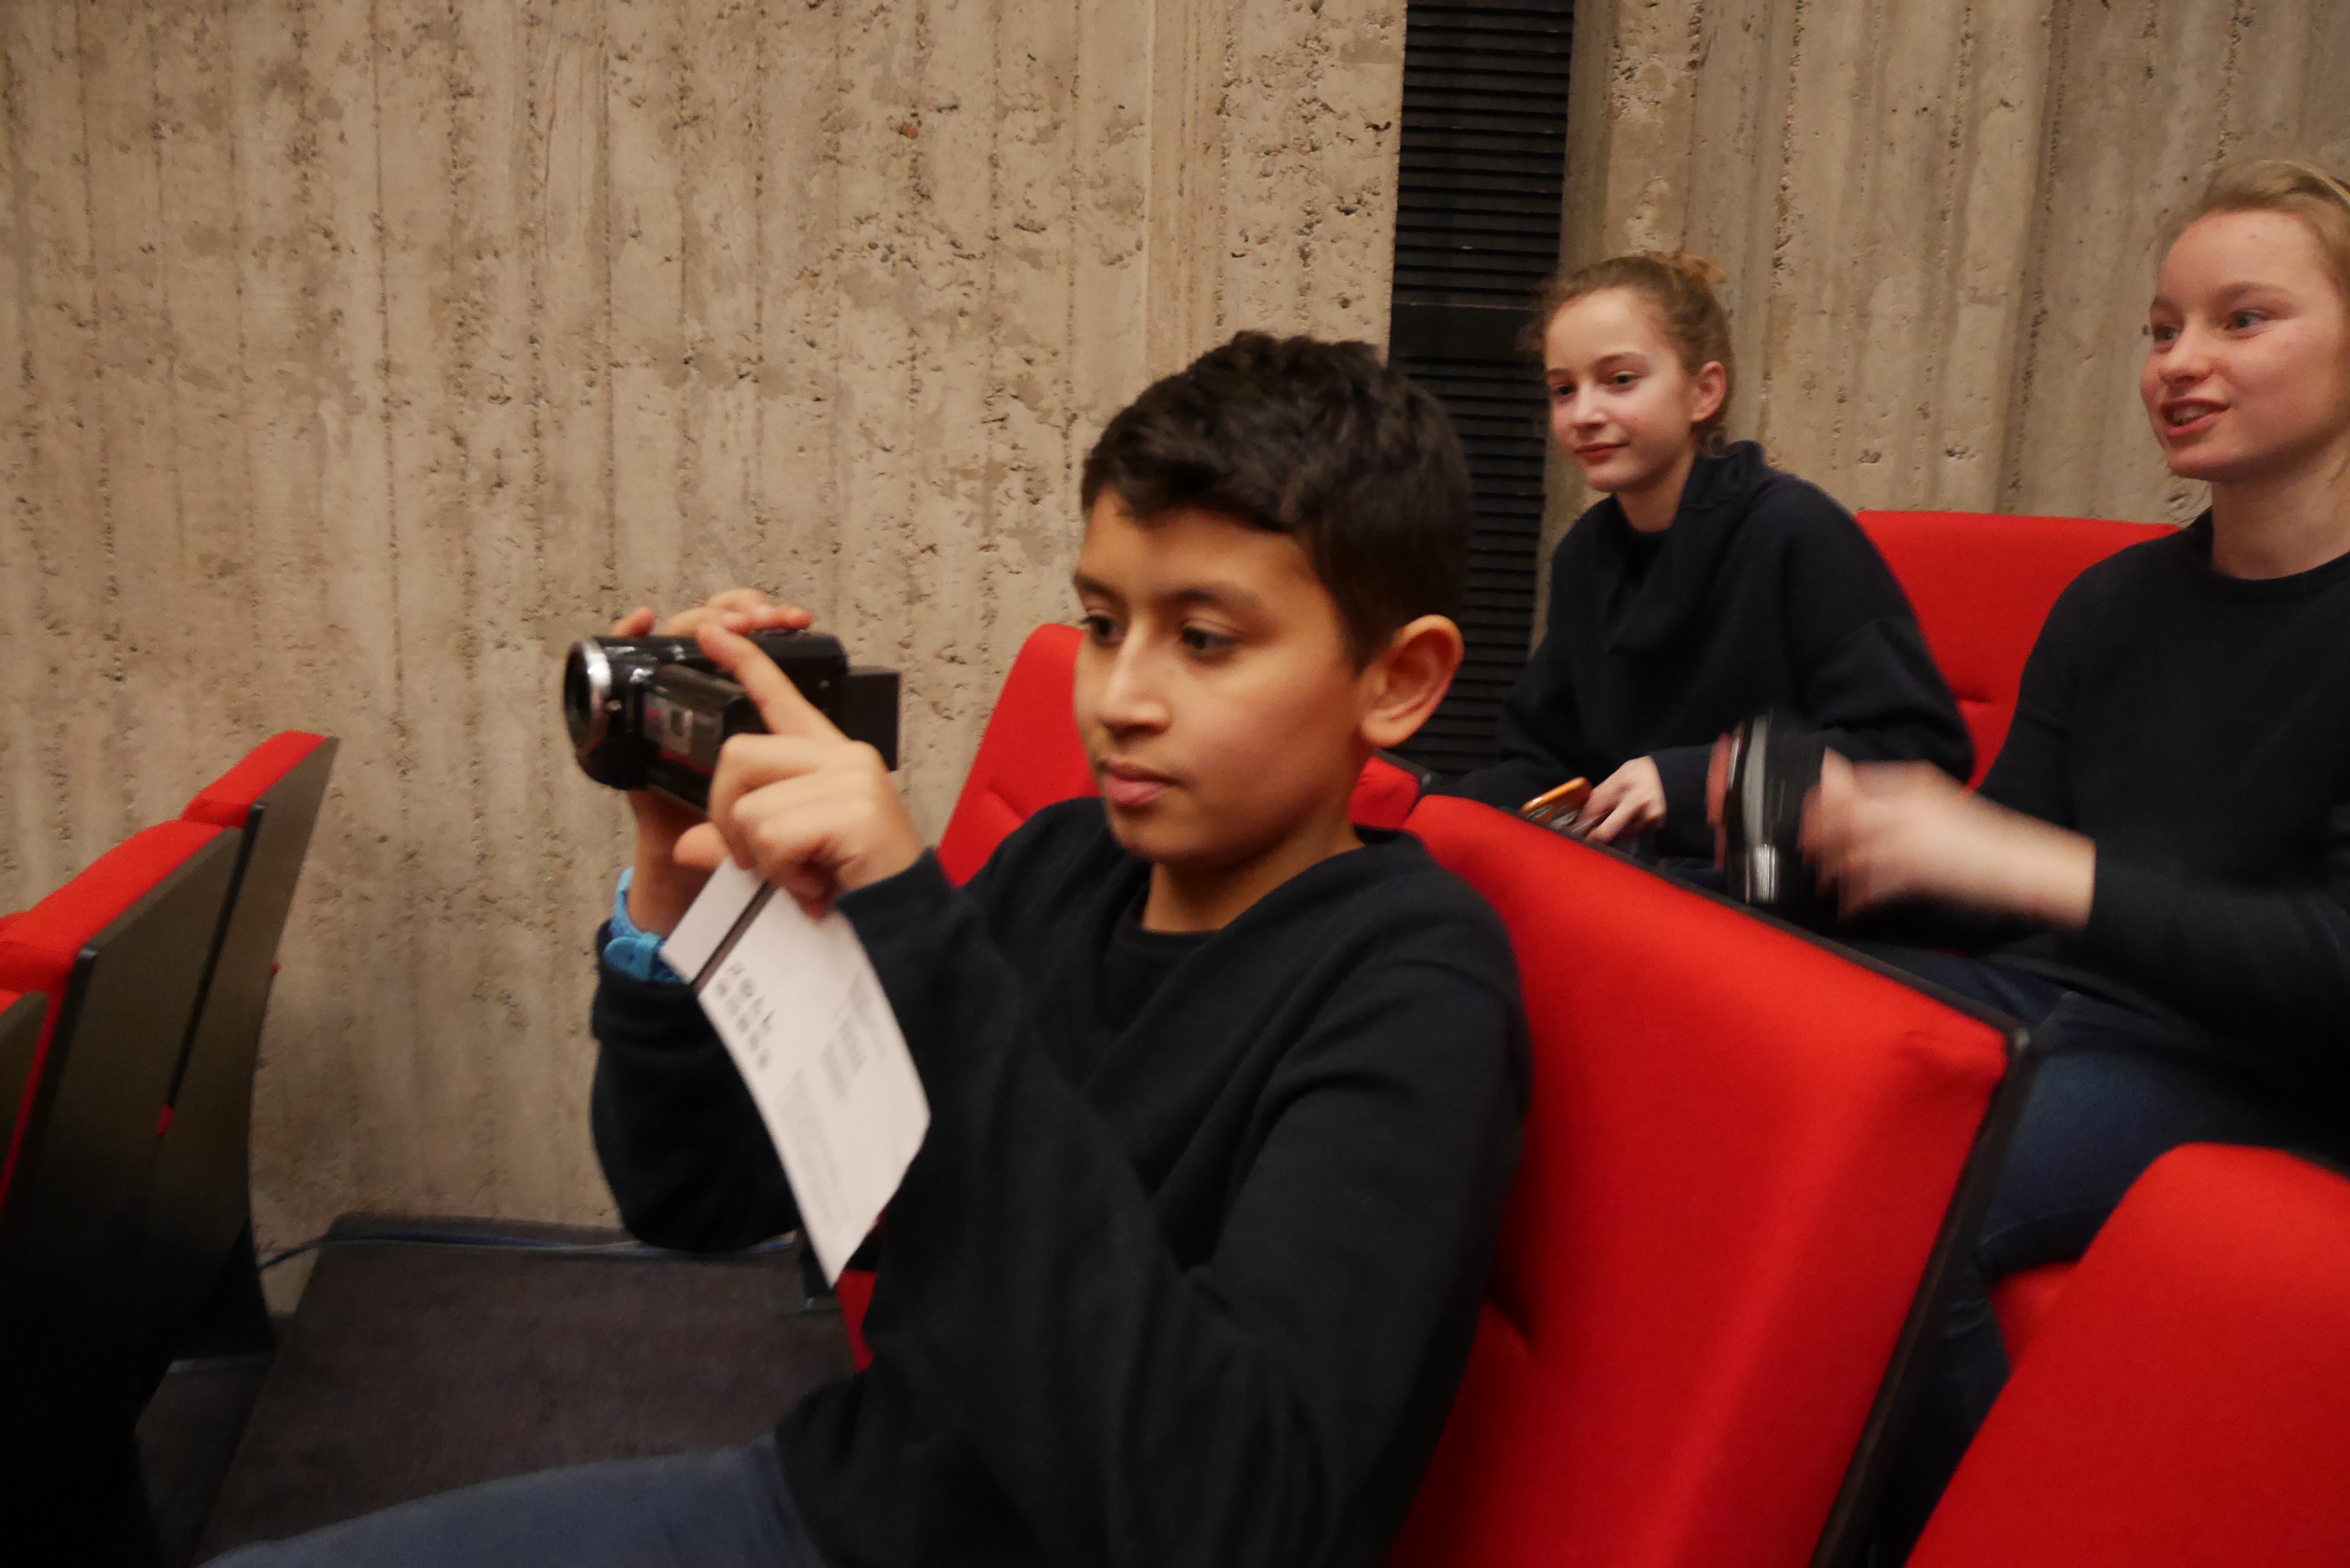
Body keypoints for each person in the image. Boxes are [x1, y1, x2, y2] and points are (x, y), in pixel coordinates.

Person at [217, 333, 1529, 1568]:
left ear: (1398, 680)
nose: (1121, 696)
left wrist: (917, 925)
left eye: (1204, 639)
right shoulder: (1064, 866)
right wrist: (679, 893)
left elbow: (1225, 1508)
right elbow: (698, 1194)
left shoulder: (1414, 986)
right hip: (844, 1502)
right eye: (1101, 622)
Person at [1805, 159, 2350, 1554]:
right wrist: (1847, 845)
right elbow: (2000, 892)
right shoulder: (2113, 604)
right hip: (2071, 1010)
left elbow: (2328, 967)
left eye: (2242, 319)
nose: (2181, 361)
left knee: (1904, 1202)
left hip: (2272, 1070)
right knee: (1783, 1056)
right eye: (2163, 328)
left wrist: (2038, 870)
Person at [1446, 252, 1971, 854]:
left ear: (1703, 392)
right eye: (1563, 390)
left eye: (1619, 380)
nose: (1583, 414)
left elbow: (1915, 750)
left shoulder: (1794, 529)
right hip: (1636, 874)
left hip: (1772, 885)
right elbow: (1546, 760)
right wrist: (1438, 815)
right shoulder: (1584, 554)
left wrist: (1690, 783)